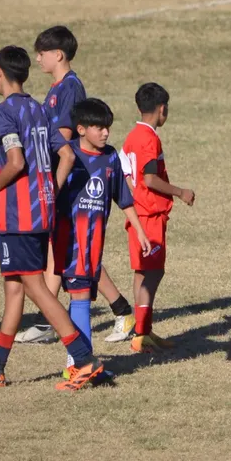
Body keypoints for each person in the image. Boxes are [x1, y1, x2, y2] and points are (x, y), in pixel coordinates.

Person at [0, 46, 104, 390]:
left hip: (19, 216)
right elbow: (65, 154)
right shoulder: (37, 107)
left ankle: (83, 357)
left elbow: (15, 162)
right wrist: (50, 189)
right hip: (40, 210)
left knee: (34, 287)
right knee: (14, 289)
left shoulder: (4, 112)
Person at [13, 26, 135, 345]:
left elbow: (65, 137)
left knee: (71, 248)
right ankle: (111, 310)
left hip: (71, 176)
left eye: (41, 53)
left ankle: (51, 319)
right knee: (70, 249)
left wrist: (34, 160)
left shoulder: (69, 87)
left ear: (58, 55)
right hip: (57, 174)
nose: (37, 58)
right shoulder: (56, 88)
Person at [53, 99, 151, 377]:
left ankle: (79, 362)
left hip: (93, 244)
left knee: (80, 298)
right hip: (68, 242)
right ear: (81, 129)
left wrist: (140, 230)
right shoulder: (65, 155)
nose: (106, 133)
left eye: (107, 127)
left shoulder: (110, 158)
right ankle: (78, 363)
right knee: (75, 297)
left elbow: (123, 199)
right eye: (99, 128)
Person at [121, 83, 195, 353]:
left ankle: (144, 330)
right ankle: (140, 333)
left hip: (137, 213)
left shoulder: (131, 136)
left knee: (142, 271)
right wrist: (179, 192)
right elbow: (150, 179)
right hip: (149, 215)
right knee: (154, 271)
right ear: (162, 109)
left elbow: (128, 175)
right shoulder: (149, 139)